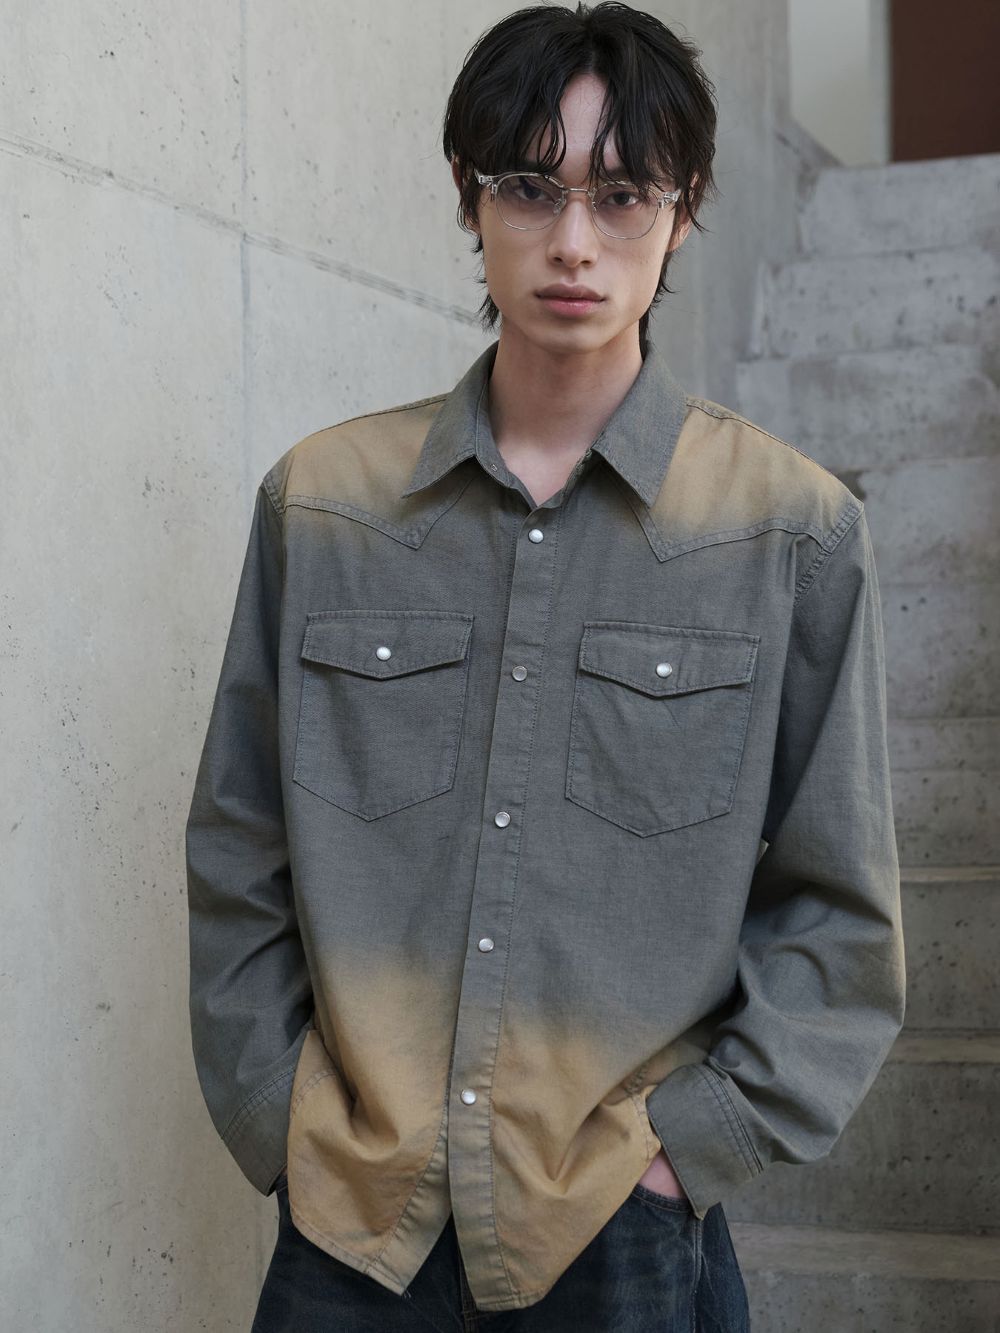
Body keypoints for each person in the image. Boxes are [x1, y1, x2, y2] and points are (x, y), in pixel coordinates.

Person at [185, 4, 906, 1329]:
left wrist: (692, 1149)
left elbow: (839, 906)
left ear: (684, 211)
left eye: (622, 195)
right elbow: (239, 843)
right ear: (471, 198)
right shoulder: (326, 506)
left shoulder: (789, 534)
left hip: (622, 1225)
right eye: (531, 187)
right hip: (354, 1218)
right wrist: (278, 1108)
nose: (574, 241)